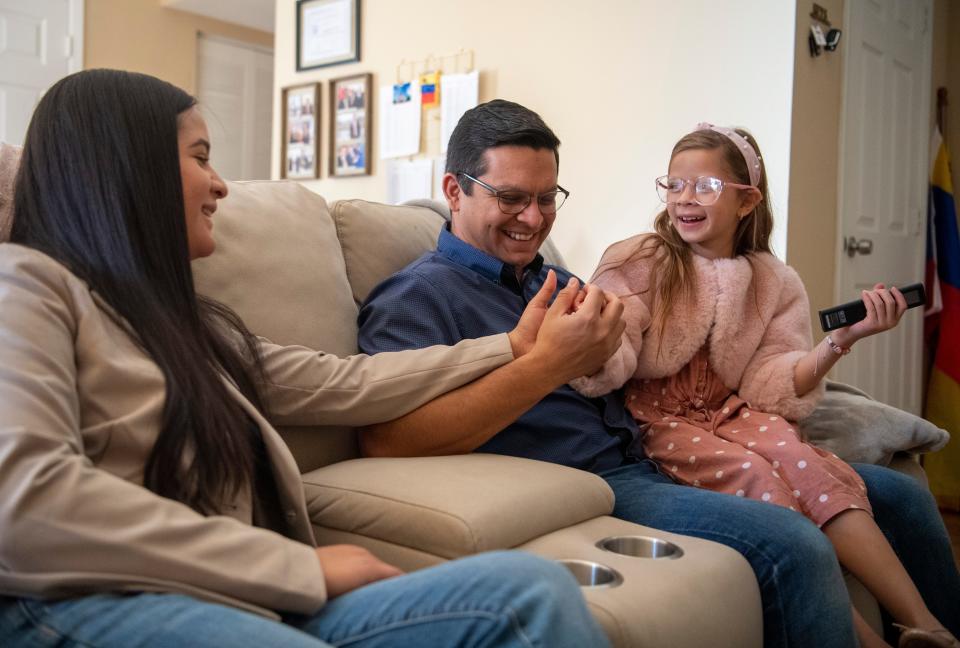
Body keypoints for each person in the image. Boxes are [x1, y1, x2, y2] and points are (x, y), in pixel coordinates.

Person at [0, 70, 618, 648]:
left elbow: (349, 381)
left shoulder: (186, 327)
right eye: (201, 157)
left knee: (530, 592)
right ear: (124, 169)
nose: (220, 184)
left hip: (238, 594)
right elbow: (28, 509)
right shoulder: (25, 284)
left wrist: (511, 347)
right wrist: (297, 566)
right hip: (85, 598)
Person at [357, 99, 960, 648]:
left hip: (658, 449)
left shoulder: (559, 283)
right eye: (511, 198)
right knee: (793, 543)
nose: (533, 219)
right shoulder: (418, 295)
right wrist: (547, 367)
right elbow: (386, 438)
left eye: (547, 198)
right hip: (599, 479)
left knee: (902, 495)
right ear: (454, 191)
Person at [568, 123, 958, 648]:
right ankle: (869, 641)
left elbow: (773, 381)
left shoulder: (773, 280)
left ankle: (927, 625)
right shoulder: (642, 260)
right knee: (756, 472)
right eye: (674, 184)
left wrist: (842, 339)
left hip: (733, 411)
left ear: (747, 200)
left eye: (705, 187)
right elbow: (616, 352)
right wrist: (589, 344)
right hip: (659, 417)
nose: (685, 198)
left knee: (810, 465)